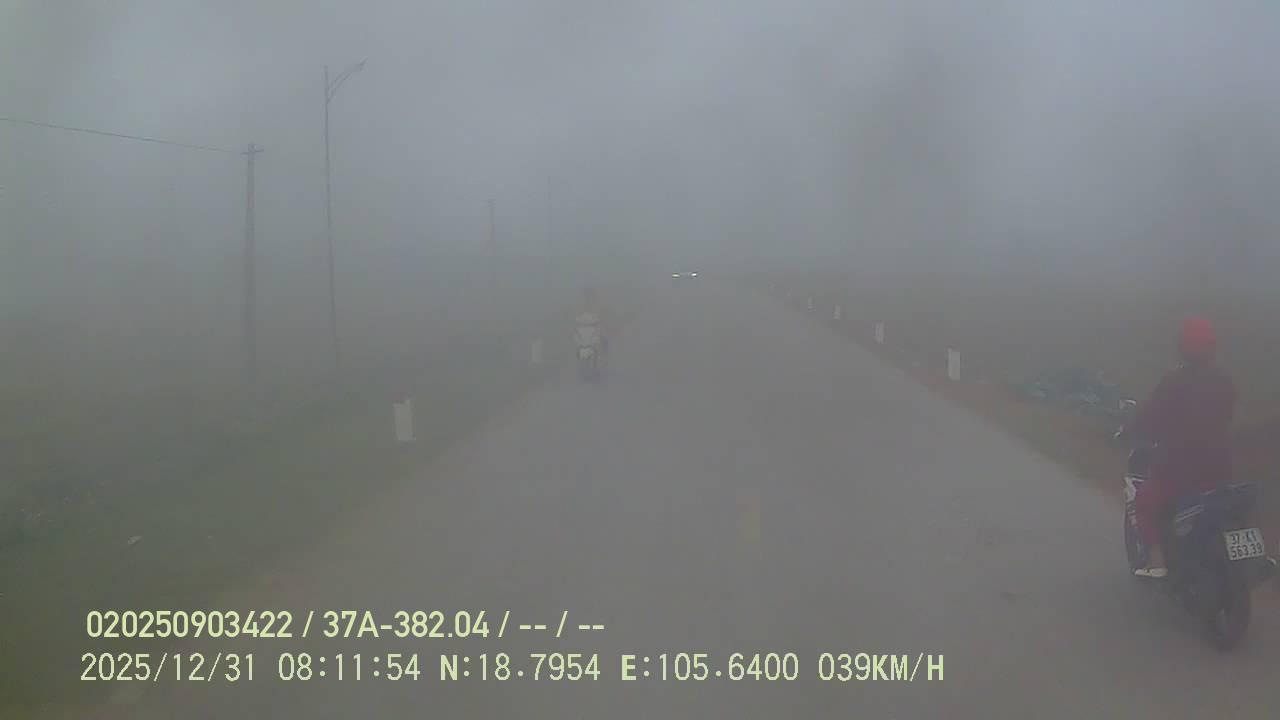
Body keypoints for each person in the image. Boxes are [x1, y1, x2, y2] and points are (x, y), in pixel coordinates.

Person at [1128, 316, 1236, 578]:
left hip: (1177, 471)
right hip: (1219, 469)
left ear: (1182, 347)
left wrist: (1128, 431)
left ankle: (1157, 562)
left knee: (1144, 503)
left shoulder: (1173, 382)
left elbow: (1151, 417)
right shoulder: (1224, 382)